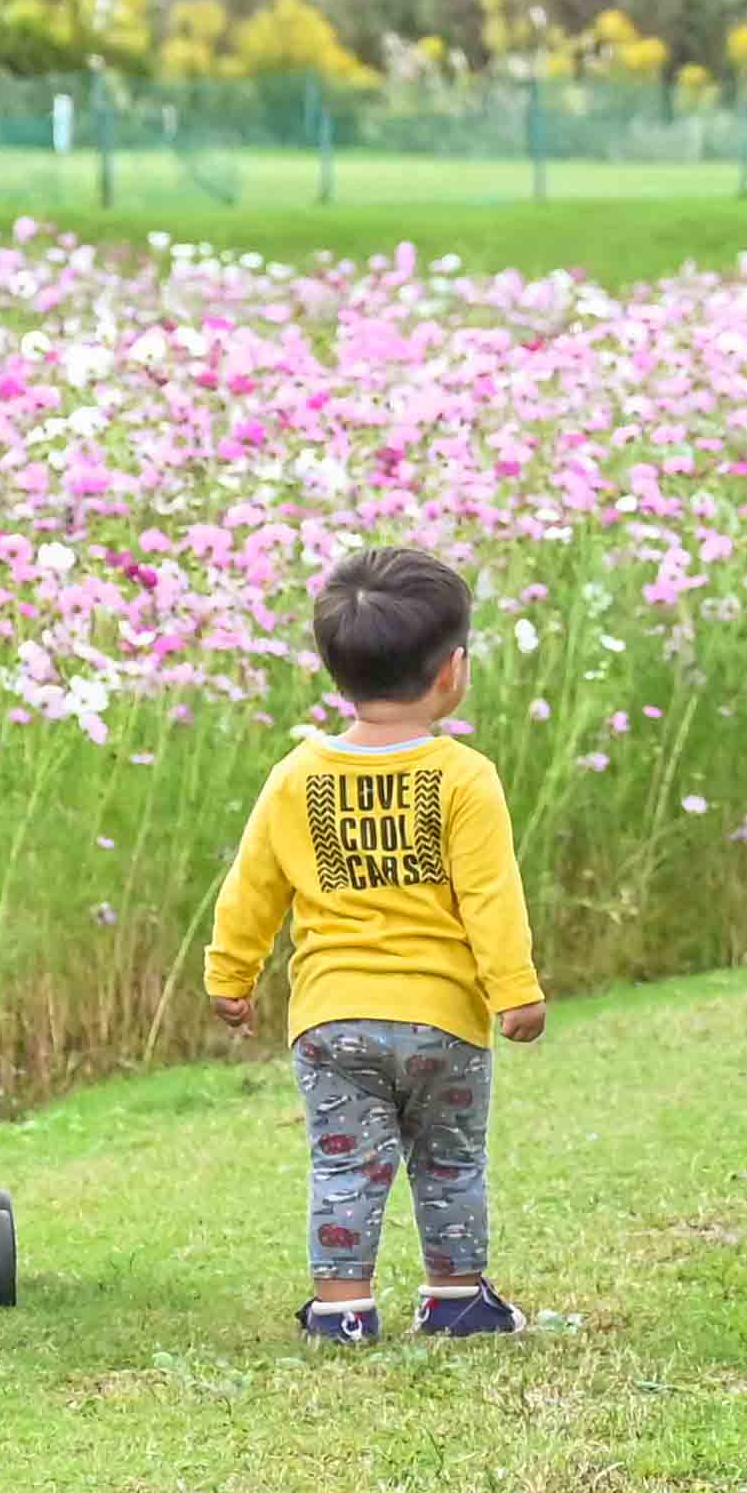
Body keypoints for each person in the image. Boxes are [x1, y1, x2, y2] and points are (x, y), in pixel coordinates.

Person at [200, 545, 545, 1343]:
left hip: (332, 1022)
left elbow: (253, 886)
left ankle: (342, 1309)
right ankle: (456, 1299)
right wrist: (514, 991)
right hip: (443, 1022)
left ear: (334, 671)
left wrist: (231, 974)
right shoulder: (463, 776)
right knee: (451, 1163)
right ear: (451, 671)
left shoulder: (297, 776)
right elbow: (490, 897)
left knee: (343, 1166)